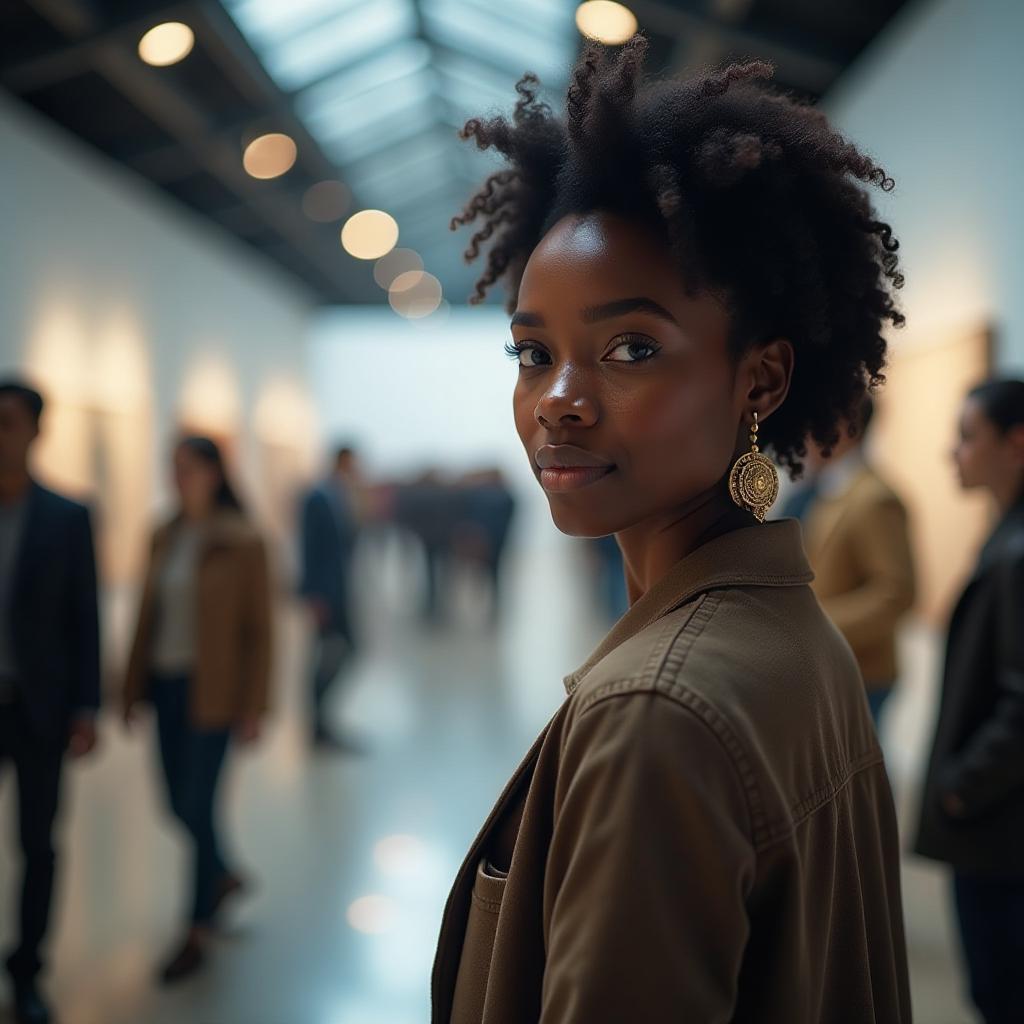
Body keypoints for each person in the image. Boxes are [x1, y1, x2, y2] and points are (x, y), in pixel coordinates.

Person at [433, 40, 911, 1022]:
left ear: (760, 379)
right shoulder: (788, 630)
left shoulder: (657, 712)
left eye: (631, 347)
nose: (558, 401)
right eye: (532, 353)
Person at [122, 436, 271, 983]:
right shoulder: (163, 533)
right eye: (174, 468)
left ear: (215, 473)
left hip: (215, 692)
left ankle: (195, 930)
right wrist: (130, 687)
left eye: (189, 469)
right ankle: (225, 873)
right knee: (175, 806)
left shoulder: (243, 539)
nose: (179, 478)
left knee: (197, 802)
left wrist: (254, 707)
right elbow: (146, 617)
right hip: (165, 687)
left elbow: (261, 632)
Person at [914, 379, 1024, 1024]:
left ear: (1016, 443)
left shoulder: (1016, 554)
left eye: (966, 437)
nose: (951, 452)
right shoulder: (1004, 540)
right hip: (998, 821)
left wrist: (961, 788)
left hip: (1000, 828)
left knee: (1001, 990)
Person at [0, 379, 99, 1024]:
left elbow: (84, 618)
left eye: (9, 421)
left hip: (36, 709)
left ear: (37, 430)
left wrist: (87, 707)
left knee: (39, 844)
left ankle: (28, 971)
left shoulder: (66, 516)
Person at [781, 395, 916, 726]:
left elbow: (895, 593)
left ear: (842, 428)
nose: (803, 435)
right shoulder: (829, 490)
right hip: (828, 665)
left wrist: (813, 626)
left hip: (860, 671)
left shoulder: (874, 498)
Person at [299, 445, 362, 749]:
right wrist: (315, 595)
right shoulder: (318, 497)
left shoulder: (338, 495)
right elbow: (310, 549)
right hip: (327, 593)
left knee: (343, 651)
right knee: (331, 654)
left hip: (339, 589)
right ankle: (317, 722)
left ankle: (322, 719)